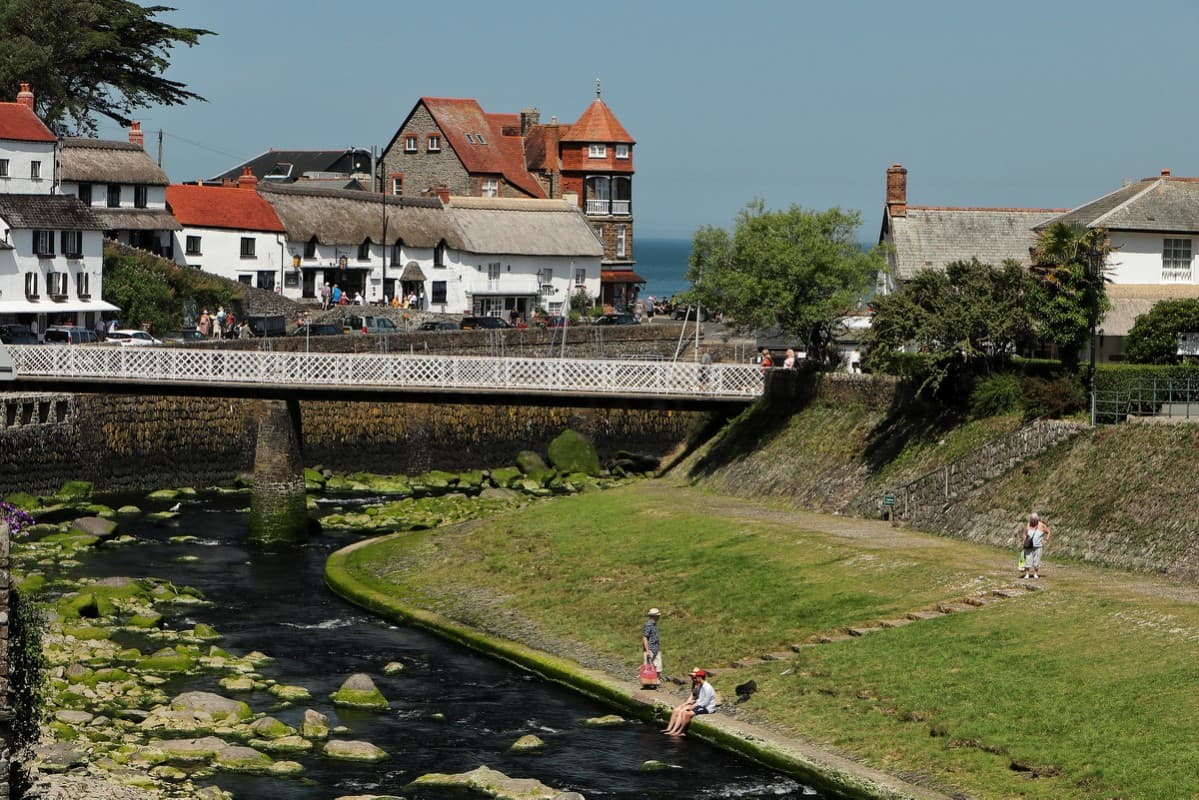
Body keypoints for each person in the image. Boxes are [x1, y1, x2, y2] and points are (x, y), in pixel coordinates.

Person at [662, 669, 718, 735]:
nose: (694, 678)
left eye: (696, 677)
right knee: (681, 711)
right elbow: (699, 699)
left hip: (708, 708)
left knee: (686, 713)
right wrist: (690, 704)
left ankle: (680, 731)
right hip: (700, 705)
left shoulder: (707, 687)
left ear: (700, 677)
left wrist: (693, 706)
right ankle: (672, 730)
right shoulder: (702, 685)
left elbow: (705, 702)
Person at [1019, 512, 1051, 579]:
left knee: (1037, 560)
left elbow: (1048, 532)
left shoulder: (1041, 525)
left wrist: (1046, 540)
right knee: (1028, 559)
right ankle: (1027, 574)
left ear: (1037, 519)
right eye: (1032, 519)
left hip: (1038, 546)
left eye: (1034, 520)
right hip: (1029, 546)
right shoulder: (1028, 525)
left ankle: (1035, 573)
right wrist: (1024, 541)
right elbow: (1024, 533)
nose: (1033, 521)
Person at [641, 608, 662, 683]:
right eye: (658, 615)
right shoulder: (648, 625)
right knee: (648, 666)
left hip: (656, 648)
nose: (659, 617)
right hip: (650, 648)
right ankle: (647, 682)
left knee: (658, 666)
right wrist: (647, 650)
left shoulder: (654, 624)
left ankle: (655, 681)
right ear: (654, 616)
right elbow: (645, 637)